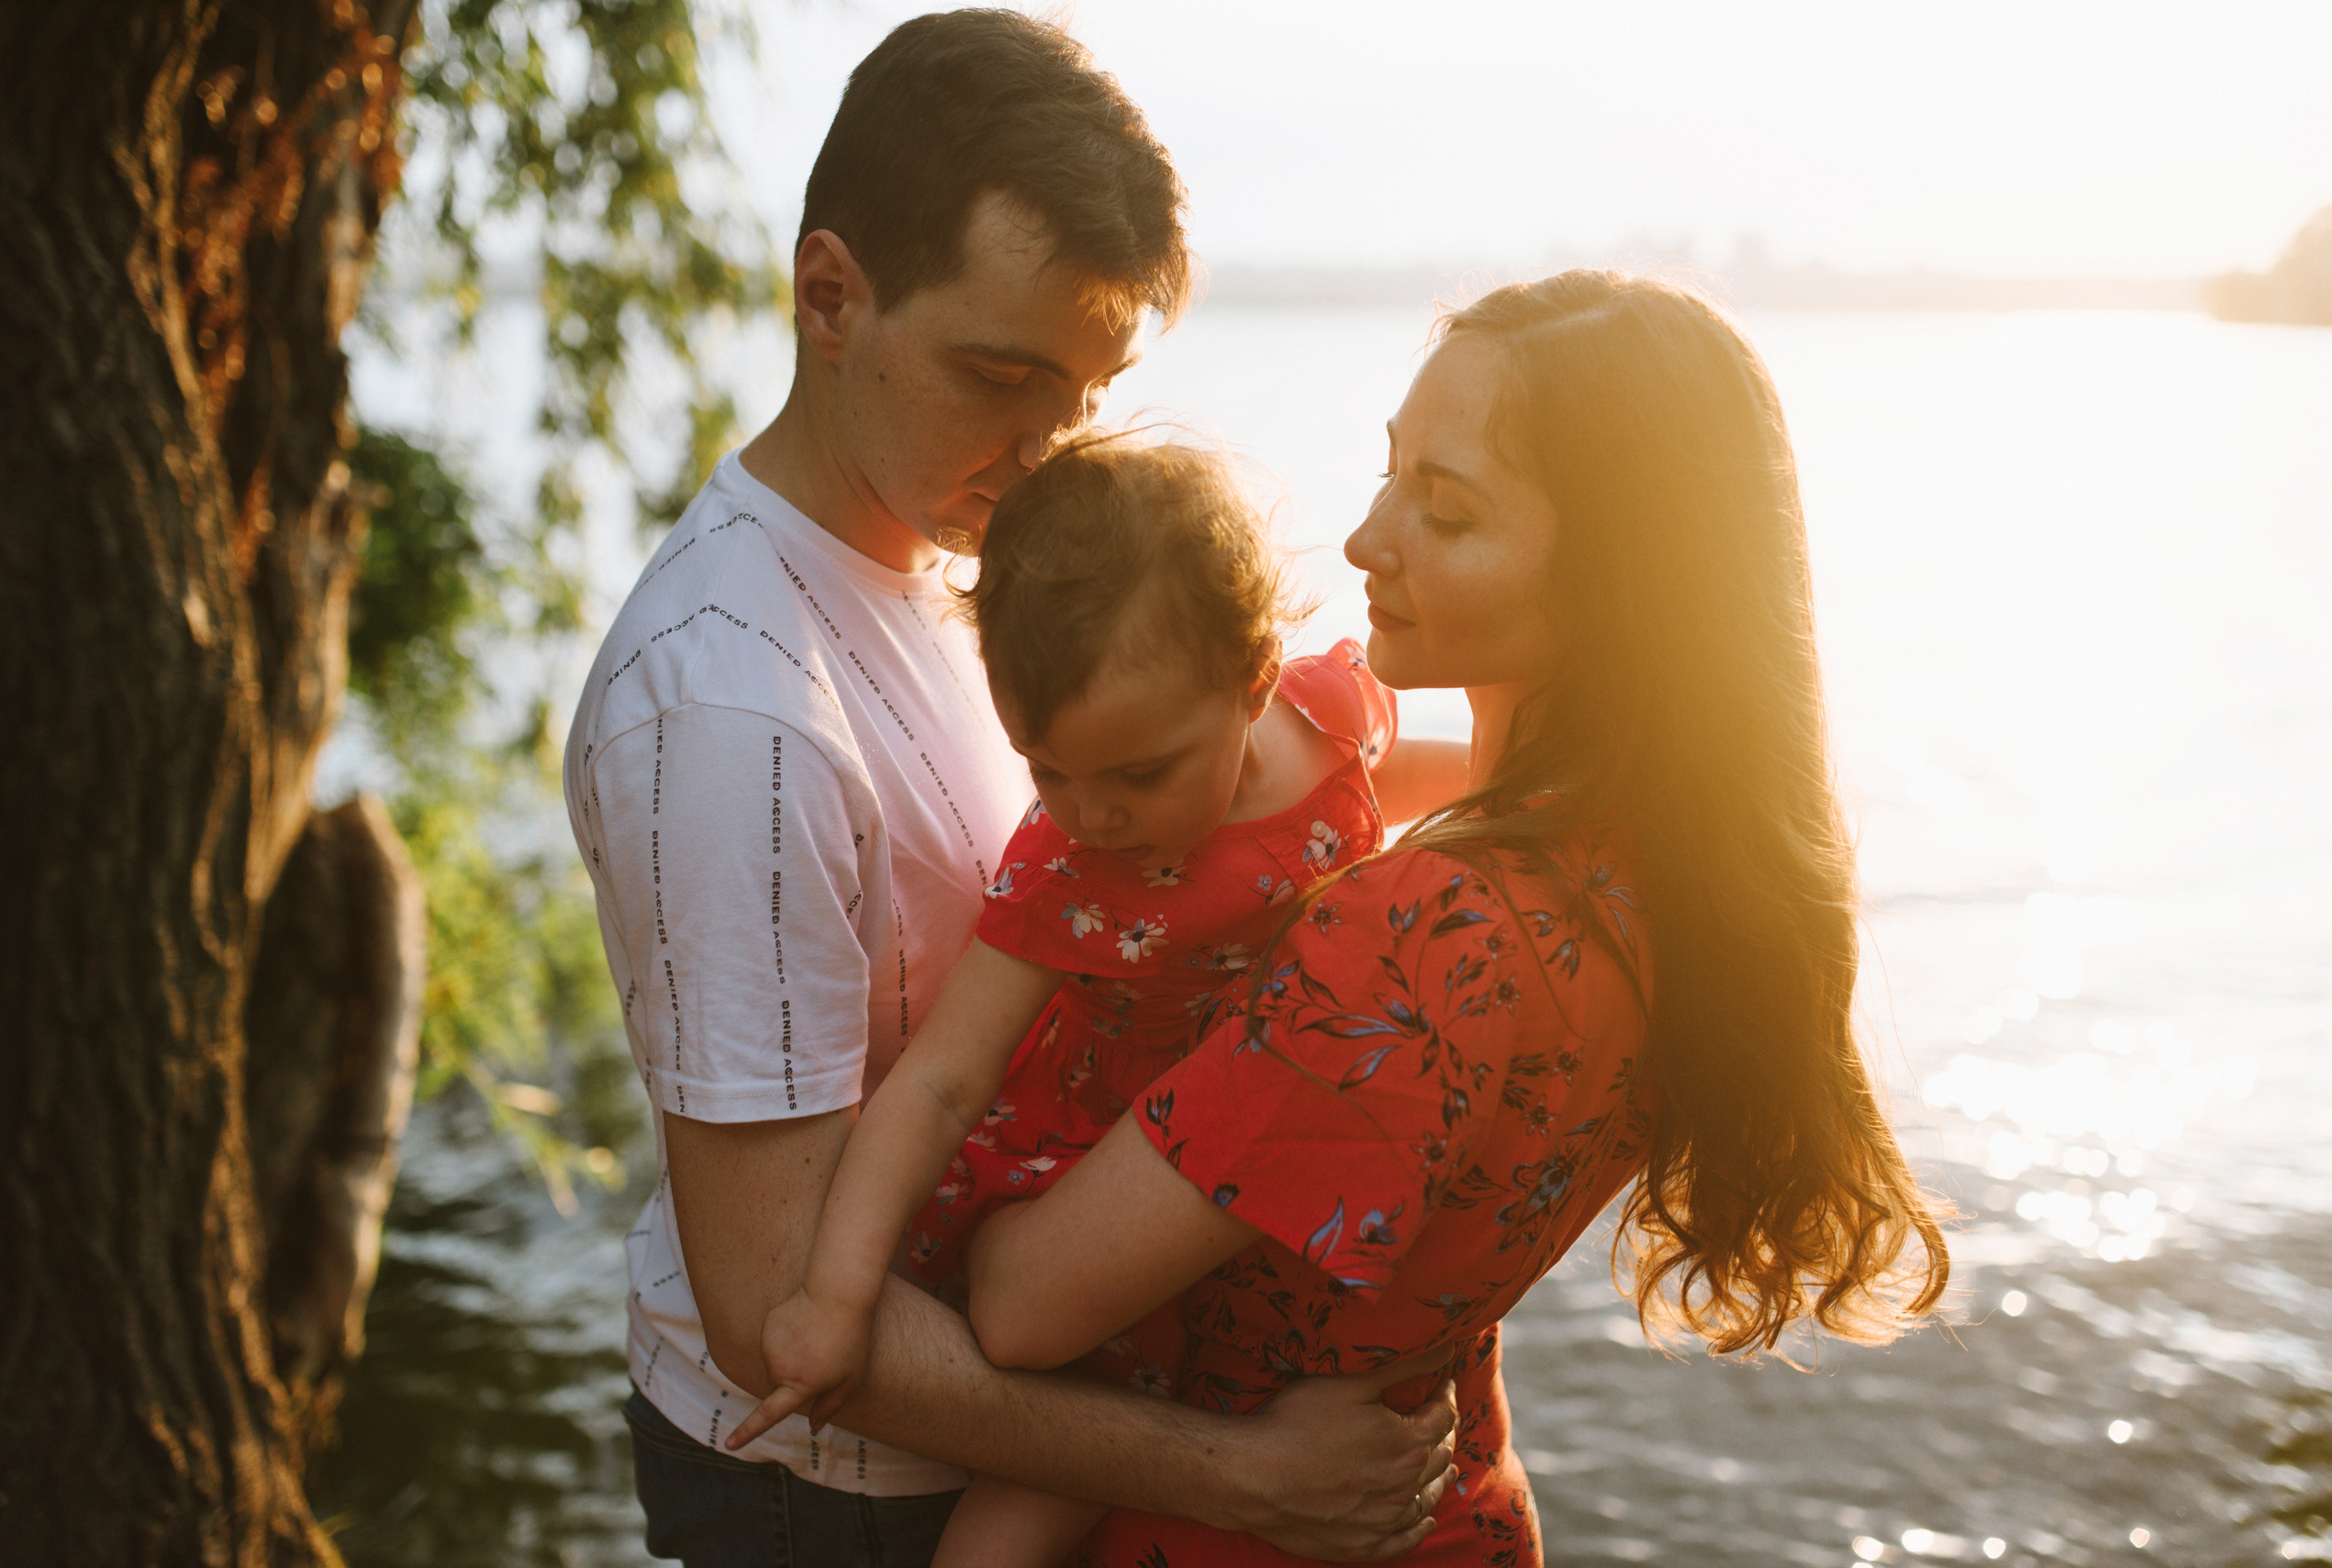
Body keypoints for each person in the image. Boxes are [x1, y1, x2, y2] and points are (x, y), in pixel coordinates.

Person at [563, 13, 1454, 1565]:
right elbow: (778, 1295)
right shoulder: (732, 710)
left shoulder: (954, 551)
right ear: (830, 295)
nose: (1051, 455)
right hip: (837, 1501)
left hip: (1010, 1421)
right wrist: (1234, 1471)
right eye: (1001, 375)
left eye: (1090, 390)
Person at [941, 271, 1954, 1564]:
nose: (1368, 540)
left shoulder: (1418, 931)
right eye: (1392, 471)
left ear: (1617, 587)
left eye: (1448, 510)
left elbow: (1023, 1310)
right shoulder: (1677, 881)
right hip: (1452, 1508)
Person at [719, 437, 1474, 1566]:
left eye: (1139, 773)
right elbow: (938, 1080)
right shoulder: (1065, 872)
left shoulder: (1326, 719)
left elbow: (1389, 774)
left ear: (1253, 678)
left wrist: (1530, 794)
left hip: (1255, 1159)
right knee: (1029, 1512)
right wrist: (835, 1297)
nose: (1092, 815)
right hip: (1099, 1177)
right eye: (1047, 769)